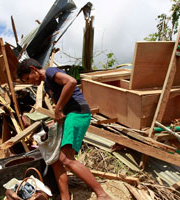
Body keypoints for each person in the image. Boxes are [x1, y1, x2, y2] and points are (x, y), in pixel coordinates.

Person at [17, 58, 111, 200]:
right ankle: (64, 197)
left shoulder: (50, 72)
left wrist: (58, 109)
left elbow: (71, 82)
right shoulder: (46, 85)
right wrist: (57, 119)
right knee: (55, 160)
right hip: (69, 116)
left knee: (66, 158)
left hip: (78, 114)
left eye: (27, 78)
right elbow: (62, 105)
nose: (29, 82)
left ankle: (102, 194)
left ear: (33, 69)